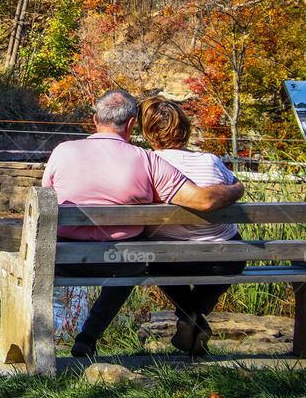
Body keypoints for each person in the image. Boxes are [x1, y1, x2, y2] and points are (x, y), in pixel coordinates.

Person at [41, 89, 244, 357]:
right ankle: (87, 337)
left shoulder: (62, 151)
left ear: (94, 120)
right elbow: (203, 201)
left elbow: (47, 201)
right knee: (136, 260)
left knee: (139, 258)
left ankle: (74, 341)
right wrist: (237, 188)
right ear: (130, 124)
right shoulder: (146, 160)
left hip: (62, 260)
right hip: (120, 262)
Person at [138, 95, 247, 355]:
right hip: (223, 259)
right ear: (185, 129)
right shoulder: (210, 161)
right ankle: (192, 316)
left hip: (168, 260)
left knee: (151, 256)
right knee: (236, 252)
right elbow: (234, 185)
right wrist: (238, 188)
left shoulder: (147, 164)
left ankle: (188, 316)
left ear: (149, 133)